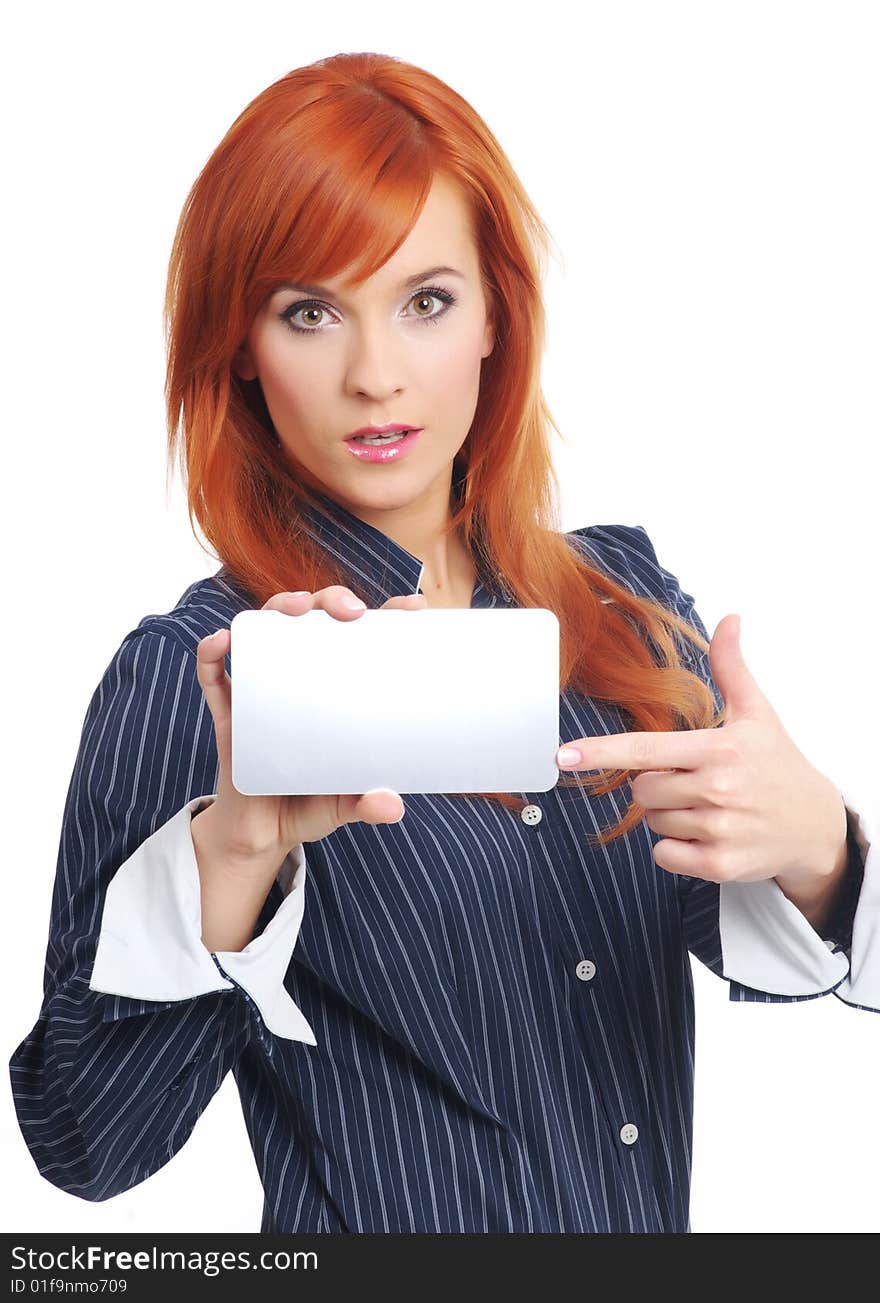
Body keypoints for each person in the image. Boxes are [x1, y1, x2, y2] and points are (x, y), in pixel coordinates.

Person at [9, 51, 875, 1234]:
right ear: (242, 350)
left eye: (424, 300)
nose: (375, 376)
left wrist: (821, 846)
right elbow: (82, 1144)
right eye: (310, 311)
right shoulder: (206, 667)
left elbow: (749, 946)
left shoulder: (619, 598)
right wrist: (234, 857)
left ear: (492, 321)